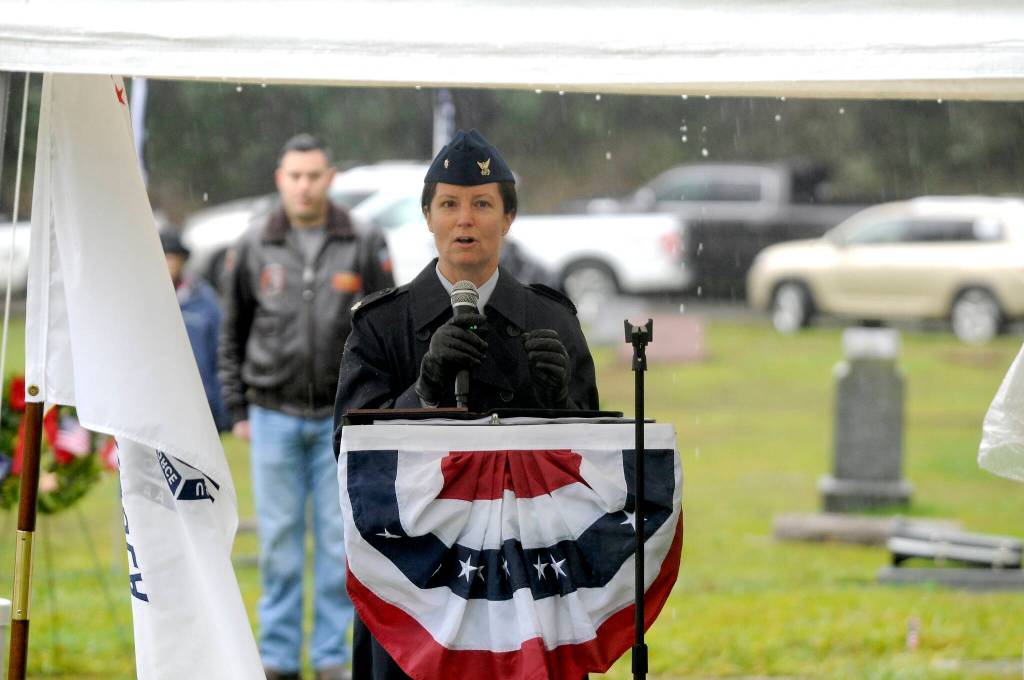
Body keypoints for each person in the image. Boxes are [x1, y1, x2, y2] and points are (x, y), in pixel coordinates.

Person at [332, 129, 599, 679]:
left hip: (526, 574)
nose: (465, 220)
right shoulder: (382, 325)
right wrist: (423, 393)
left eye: (482, 204)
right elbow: (350, 456)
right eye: (449, 204)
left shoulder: (552, 320)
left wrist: (557, 407)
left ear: (509, 218)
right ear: (427, 217)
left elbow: (595, 462)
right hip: (418, 579)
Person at [219, 133, 394, 680]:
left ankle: (330, 658)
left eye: (314, 175)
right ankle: (276, 657)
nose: (304, 185)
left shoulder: (363, 240)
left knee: (340, 542)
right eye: (295, 175)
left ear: (330, 177)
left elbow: (386, 327)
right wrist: (237, 408)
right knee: (279, 544)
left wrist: (379, 407)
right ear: (280, 179)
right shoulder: (253, 244)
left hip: (342, 420)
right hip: (271, 413)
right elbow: (232, 332)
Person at [160, 229, 231, 432]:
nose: (167, 263)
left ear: (183, 260)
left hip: (201, 405)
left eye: (172, 257)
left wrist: (223, 409)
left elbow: (219, 354)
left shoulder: (205, 300)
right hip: (160, 403)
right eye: (163, 256)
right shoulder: (142, 301)